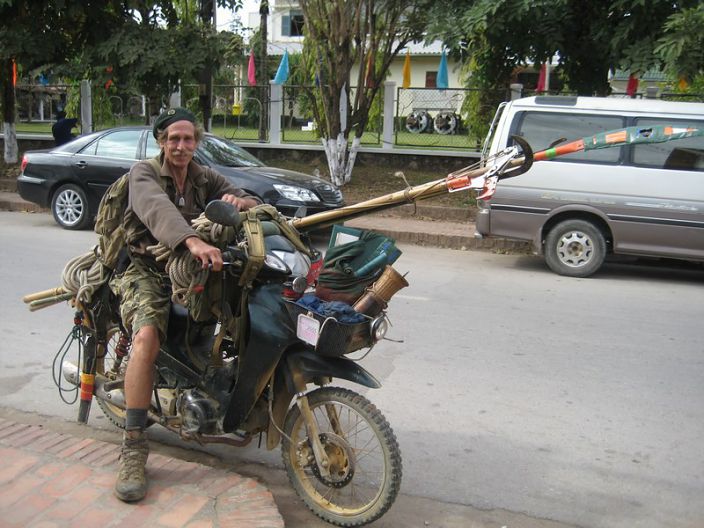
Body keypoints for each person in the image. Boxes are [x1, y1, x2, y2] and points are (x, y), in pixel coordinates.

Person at [111, 107, 261, 502]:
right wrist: (193, 241)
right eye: (173, 139)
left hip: (189, 270)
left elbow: (247, 195)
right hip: (144, 270)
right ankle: (134, 444)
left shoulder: (202, 175)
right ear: (161, 142)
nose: (181, 146)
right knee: (146, 338)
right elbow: (157, 211)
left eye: (188, 139)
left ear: (197, 142)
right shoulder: (143, 173)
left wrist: (240, 201)